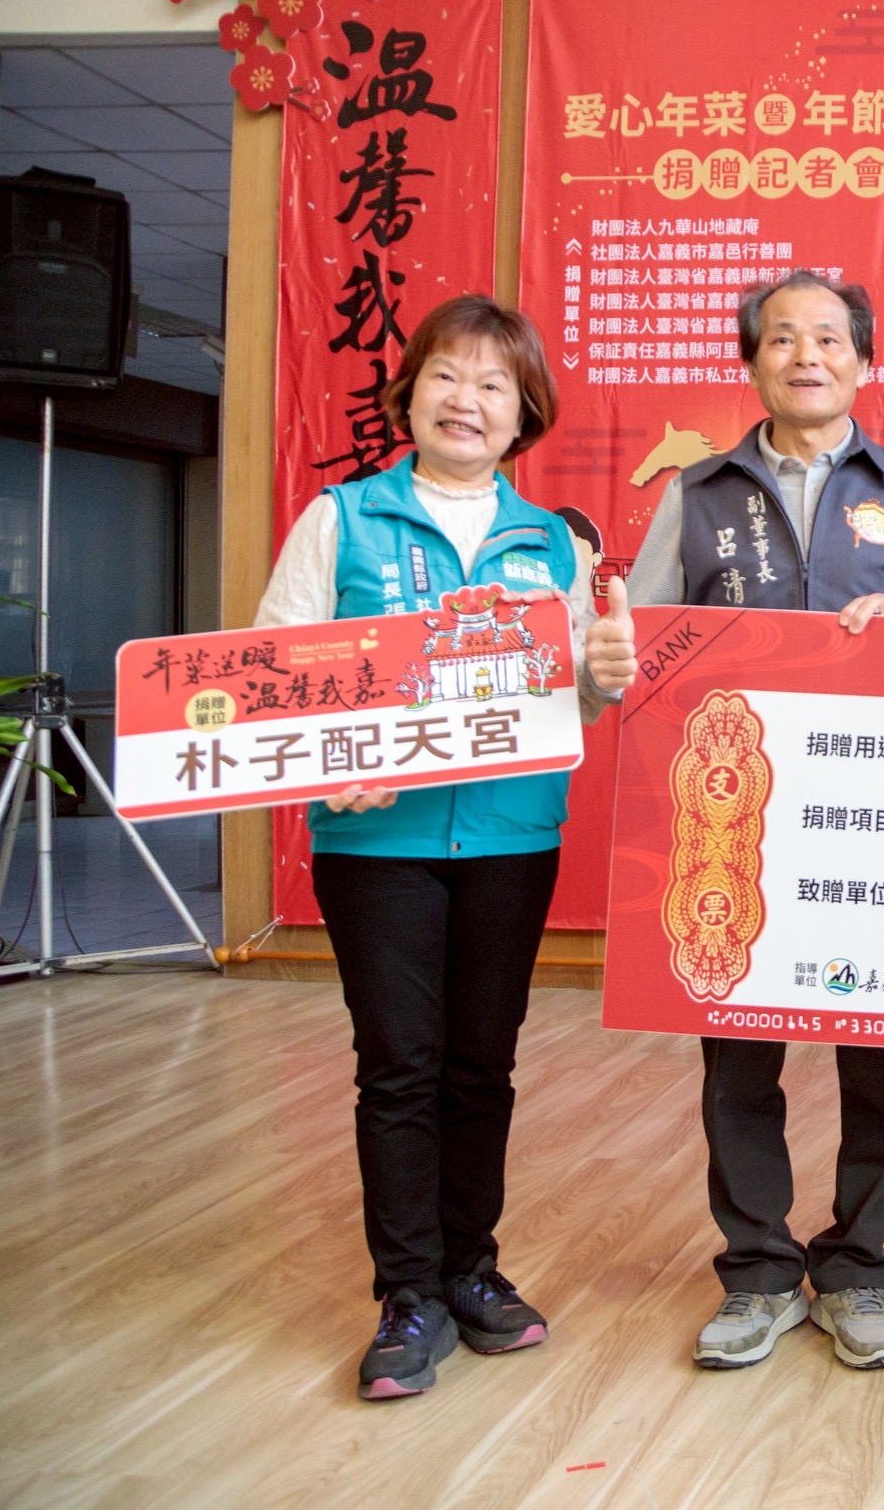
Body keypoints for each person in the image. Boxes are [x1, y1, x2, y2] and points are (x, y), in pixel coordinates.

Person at [584, 269, 884, 1374]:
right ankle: (757, 1271)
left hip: (881, 814)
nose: (807, 355)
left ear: (865, 361)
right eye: (782, 339)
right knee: (738, 1054)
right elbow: (641, 648)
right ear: (751, 363)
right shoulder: (697, 491)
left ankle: (858, 1268)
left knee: (880, 1054)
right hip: (731, 814)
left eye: (829, 338)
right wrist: (611, 656)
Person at [254, 294, 603, 1400]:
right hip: (379, 841)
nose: (468, 400)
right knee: (398, 1064)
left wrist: (607, 676)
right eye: (448, 376)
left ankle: (472, 1270)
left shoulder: (553, 543)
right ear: (408, 396)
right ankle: (407, 1293)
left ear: (523, 415)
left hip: (511, 835)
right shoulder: (340, 521)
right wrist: (327, 765)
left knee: (482, 1063)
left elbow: (572, 703)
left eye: (494, 384)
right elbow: (272, 673)